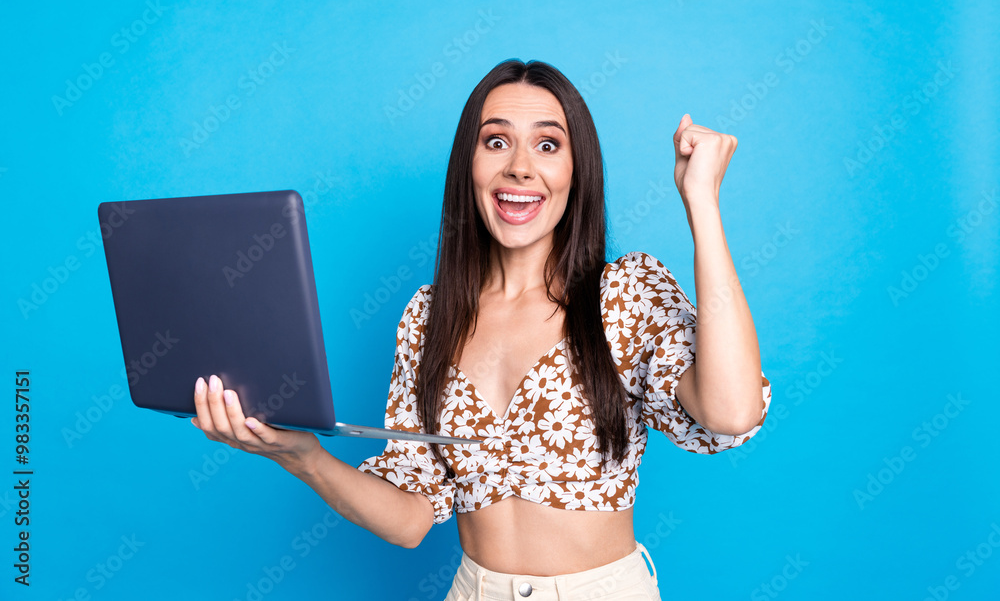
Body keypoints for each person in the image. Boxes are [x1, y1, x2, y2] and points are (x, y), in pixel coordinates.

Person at [191, 58, 771, 600]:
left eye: (548, 144)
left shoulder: (624, 294)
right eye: (496, 142)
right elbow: (410, 518)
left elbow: (731, 411)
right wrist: (300, 455)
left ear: (577, 171)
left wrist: (702, 204)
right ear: (469, 165)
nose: (520, 165)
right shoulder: (429, 316)